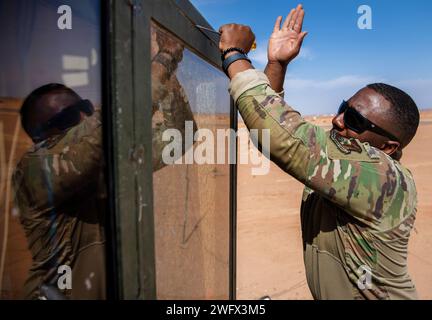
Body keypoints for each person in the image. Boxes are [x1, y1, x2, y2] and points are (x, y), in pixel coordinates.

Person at [219, 4, 420, 299]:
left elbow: (286, 141)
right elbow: (273, 130)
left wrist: (234, 55)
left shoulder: (385, 180)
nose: (338, 121)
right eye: (343, 109)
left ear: (388, 147)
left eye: (354, 120)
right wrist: (276, 64)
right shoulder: (343, 154)